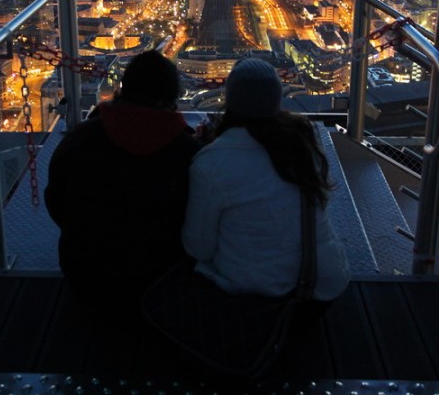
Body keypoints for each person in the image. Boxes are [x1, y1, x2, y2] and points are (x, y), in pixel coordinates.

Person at [44, 49, 202, 319]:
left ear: (124, 89)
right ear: (171, 97)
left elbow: (55, 199)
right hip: (162, 281)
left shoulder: (80, 139)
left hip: (87, 278)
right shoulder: (190, 154)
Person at [182, 57, 350, 307]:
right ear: (276, 98)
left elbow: (199, 248)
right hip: (319, 284)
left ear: (230, 100)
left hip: (252, 291)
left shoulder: (212, 162)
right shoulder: (304, 143)